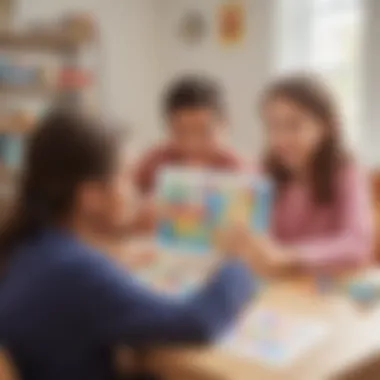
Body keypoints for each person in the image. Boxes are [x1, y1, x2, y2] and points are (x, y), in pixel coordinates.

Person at [0, 110, 255, 380]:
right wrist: (238, 262)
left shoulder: (32, 241)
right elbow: (196, 324)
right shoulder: (73, 268)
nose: (135, 190)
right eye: (126, 176)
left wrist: (119, 242)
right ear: (91, 196)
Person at [241, 74, 374, 275]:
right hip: (276, 287)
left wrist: (289, 255)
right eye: (273, 126)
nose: (281, 138)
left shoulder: (346, 173)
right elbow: (253, 236)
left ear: (325, 127)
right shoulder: (260, 172)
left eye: (294, 126)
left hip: (324, 290)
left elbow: (357, 244)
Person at [136, 75, 241, 194]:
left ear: (224, 125)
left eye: (203, 132)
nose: (191, 144)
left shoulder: (237, 169)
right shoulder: (154, 163)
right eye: (180, 132)